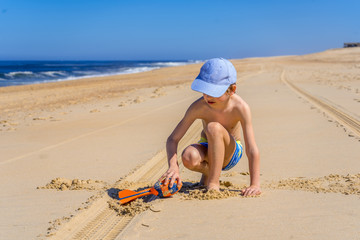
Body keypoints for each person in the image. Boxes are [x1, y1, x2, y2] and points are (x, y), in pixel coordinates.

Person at [160, 58, 261, 196]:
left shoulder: (240, 107)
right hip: (207, 146)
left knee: (213, 127)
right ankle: (211, 173)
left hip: (231, 153)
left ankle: (213, 183)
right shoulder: (199, 107)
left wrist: (255, 184)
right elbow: (173, 139)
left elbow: (252, 148)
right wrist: (173, 167)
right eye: (205, 90)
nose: (208, 96)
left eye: (214, 91)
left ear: (232, 90)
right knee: (188, 156)